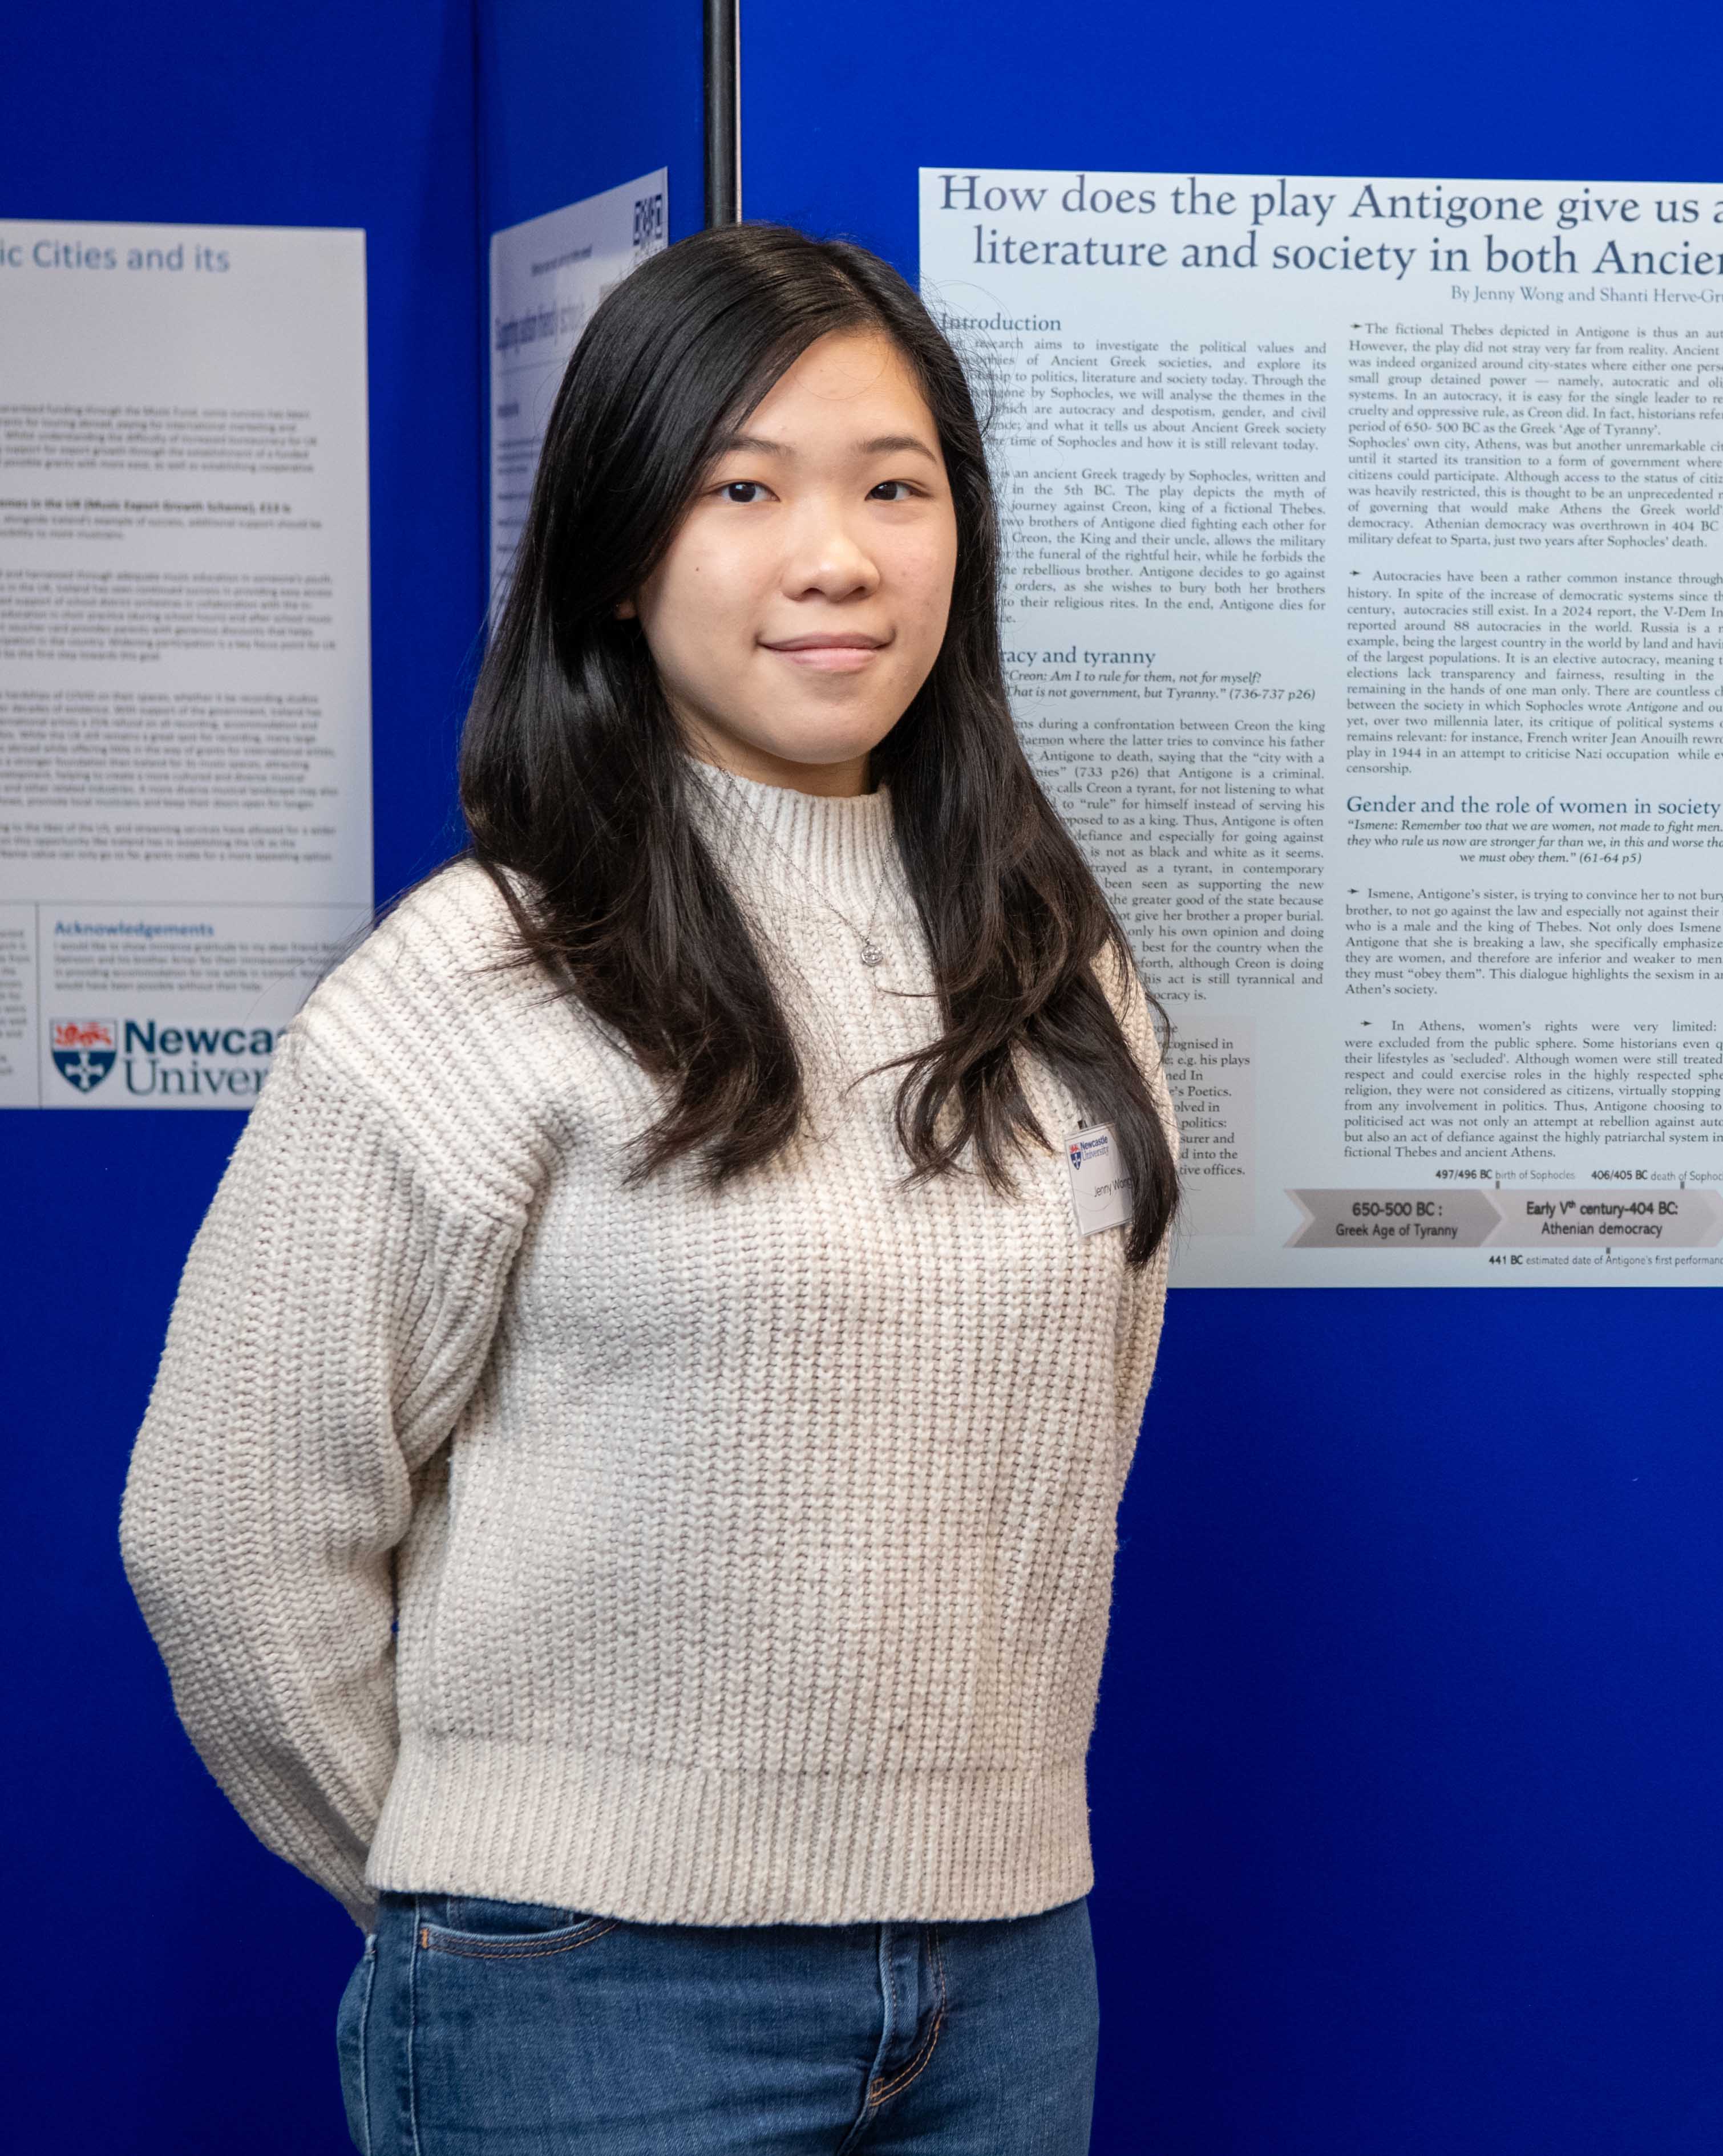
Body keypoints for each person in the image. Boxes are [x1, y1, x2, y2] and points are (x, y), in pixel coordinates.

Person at [120, 222, 1178, 2155]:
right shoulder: (478, 982)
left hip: (1013, 1965)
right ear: (621, 553)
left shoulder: (1054, 972)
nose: (835, 556)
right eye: (741, 491)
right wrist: (466, 1885)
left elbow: (1070, 1430)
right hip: (590, 1989)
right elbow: (225, 1529)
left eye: (894, 487)